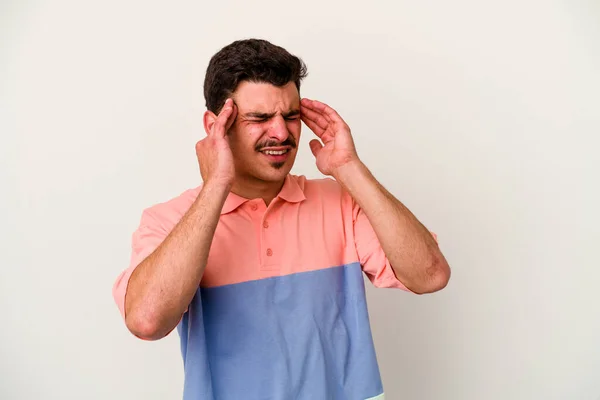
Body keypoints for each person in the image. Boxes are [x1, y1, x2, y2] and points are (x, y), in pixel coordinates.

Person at [112, 38, 451, 400]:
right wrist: (216, 186)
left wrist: (350, 169)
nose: (281, 132)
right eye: (259, 118)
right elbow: (146, 321)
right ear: (216, 126)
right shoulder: (171, 221)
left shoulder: (340, 202)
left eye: (290, 116)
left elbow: (430, 275)